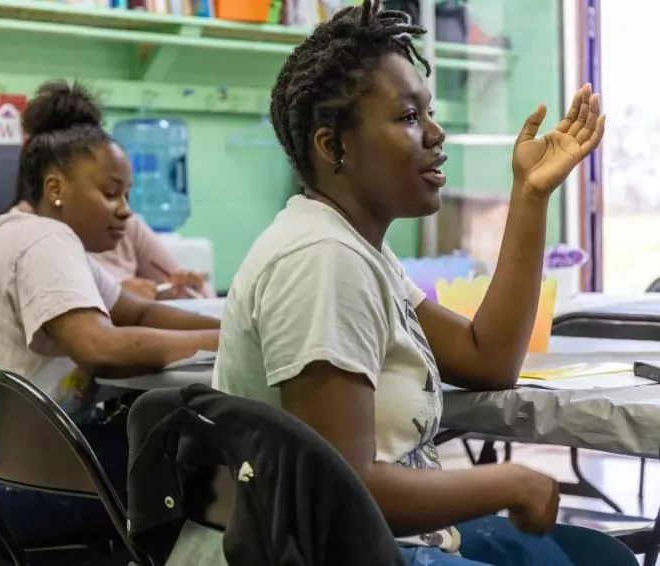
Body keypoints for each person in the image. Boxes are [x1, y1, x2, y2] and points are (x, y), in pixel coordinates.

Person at [211, 2, 610, 565]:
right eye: (407, 117)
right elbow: (341, 491)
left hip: (390, 541)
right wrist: (509, 482)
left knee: (601, 557)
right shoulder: (321, 258)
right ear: (332, 146)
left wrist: (531, 193)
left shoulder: (358, 249)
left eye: (429, 113)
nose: (436, 133)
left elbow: (487, 358)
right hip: (341, 553)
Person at [0, 80, 220, 549]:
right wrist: (219, 343)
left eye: (127, 195)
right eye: (111, 193)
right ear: (56, 188)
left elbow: (140, 313)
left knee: (156, 449)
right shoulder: (44, 240)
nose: (126, 212)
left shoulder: (33, 234)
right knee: (189, 463)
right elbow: (100, 349)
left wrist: (232, 326)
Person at [94, 215, 217, 300]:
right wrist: (117, 299)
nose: (124, 210)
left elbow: (208, 299)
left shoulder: (127, 227)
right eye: (109, 194)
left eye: (126, 195)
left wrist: (190, 292)